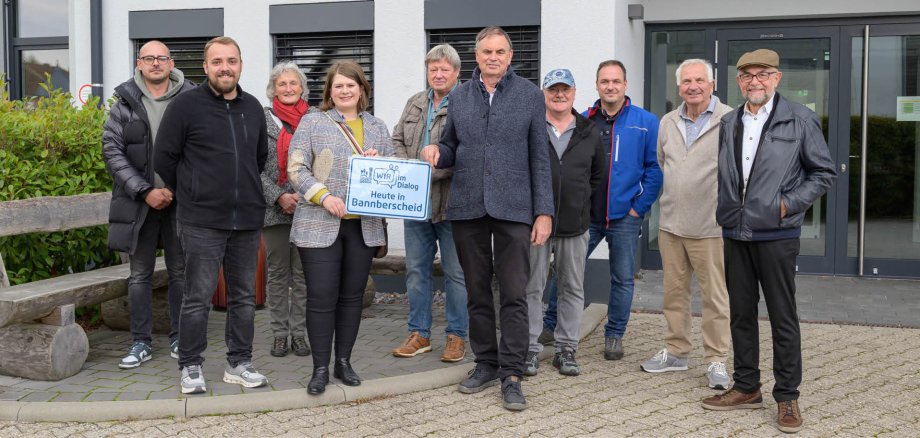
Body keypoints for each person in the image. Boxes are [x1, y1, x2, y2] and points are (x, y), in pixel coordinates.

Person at [702, 49, 836, 434]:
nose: (755, 81)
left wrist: (785, 205)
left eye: (763, 74)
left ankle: (787, 395)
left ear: (776, 78)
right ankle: (746, 387)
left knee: (782, 315)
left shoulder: (800, 119)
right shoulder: (729, 122)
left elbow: (823, 173)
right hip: (735, 231)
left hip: (777, 234)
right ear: (739, 81)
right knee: (741, 313)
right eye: (747, 75)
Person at [420, 26, 553, 411]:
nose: (493, 57)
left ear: (510, 57)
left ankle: (512, 374)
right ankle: (486, 363)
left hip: (514, 208)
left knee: (514, 293)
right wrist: (437, 151)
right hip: (468, 206)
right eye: (486, 52)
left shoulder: (529, 95)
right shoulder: (460, 96)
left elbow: (540, 157)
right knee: (476, 292)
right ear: (476, 57)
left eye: (499, 52)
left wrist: (543, 212)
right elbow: (452, 145)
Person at [155, 36, 269, 394]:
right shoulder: (186, 106)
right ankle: (190, 365)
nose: (225, 68)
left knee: (244, 297)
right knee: (197, 297)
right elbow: (163, 157)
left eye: (231, 61)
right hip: (201, 220)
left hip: (246, 219)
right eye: (217, 61)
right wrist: (194, 189)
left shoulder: (253, 108)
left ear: (240, 65)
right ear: (205, 67)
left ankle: (239, 363)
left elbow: (259, 158)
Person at [287, 60, 393, 396]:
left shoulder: (378, 127)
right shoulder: (313, 121)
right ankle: (320, 368)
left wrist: (380, 165)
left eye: (351, 85)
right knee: (321, 297)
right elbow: (296, 168)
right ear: (329, 92)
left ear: (362, 89)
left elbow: (392, 176)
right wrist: (323, 196)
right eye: (339, 86)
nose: (345, 91)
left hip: (363, 227)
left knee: (351, 298)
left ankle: (343, 362)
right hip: (319, 223)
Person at [639, 59, 733, 390]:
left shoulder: (729, 120)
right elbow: (663, 163)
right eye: (686, 81)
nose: (693, 86)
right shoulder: (668, 122)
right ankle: (677, 352)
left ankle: (716, 359)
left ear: (712, 84)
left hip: (710, 226)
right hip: (671, 226)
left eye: (699, 80)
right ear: (679, 87)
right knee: (674, 293)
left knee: (714, 298)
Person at [102, 40, 194, 369]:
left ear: (171, 63)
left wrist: (172, 188)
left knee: (180, 272)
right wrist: (145, 191)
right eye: (149, 58)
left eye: (161, 58)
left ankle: (180, 337)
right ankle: (140, 341)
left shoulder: (191, 100)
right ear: (139, 64)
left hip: (179, 202)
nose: (155, 63)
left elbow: (200, 149)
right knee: (139, 274)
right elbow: (112, 151)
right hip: (137, 203)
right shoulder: (123, 103)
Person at [523, 68, 604, 378]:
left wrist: (578, 201)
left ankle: (566, 349)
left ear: (574, 92)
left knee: (571, 287)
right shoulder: (532, 126)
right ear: (544, 93)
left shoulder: (588, 130)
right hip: (535, 225)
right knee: (532, 287)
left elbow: (597, 176)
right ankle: (530, 348)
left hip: (575, 224)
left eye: (565, 89)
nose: (559, 95)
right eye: (553, 89)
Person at [579, 60, 661, 361]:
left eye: (616, 81)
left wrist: (639, 208)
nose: (610, 86)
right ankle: (551, 325)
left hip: (625, 217)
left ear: (625, 84)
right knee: (566, 272)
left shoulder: (646, 121)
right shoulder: (583, 120)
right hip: (586, 216)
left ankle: (614, 335)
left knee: (622, 279)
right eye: (605, 81)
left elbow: (655, 169)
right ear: (597, 85)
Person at [391, 44, 468, 363]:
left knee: (456, 274)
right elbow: (397, 139)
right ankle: (419, 333)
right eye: (433, 69)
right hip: (415, 205)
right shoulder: (415, 102)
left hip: (452, 205)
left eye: (444, 69)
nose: (438, 74)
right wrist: (408, 171)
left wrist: (430, 173)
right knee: (416, 271)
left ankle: (456, 335)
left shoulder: (467, 102)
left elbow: (468, 151)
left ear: (456, 73)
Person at [261, 62, 316, 358]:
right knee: (278, 273)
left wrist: (304, 195)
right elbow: (251, 166)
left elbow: (324, 161)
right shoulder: (261, 119)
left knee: (303, 274)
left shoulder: (315, 119)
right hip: (273, 210)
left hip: (309, 208)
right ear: (273, 89)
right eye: (282, 84)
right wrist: (279, 196)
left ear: (302, 87)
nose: (288, 88)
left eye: (293, 83)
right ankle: (280, 334)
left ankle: (299, 334)